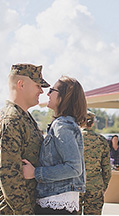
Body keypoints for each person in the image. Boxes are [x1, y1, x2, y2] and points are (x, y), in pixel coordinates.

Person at [0, 63, 47, 215]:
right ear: (21, 84)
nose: (41, 90)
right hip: (10, 210)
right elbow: (8, 175)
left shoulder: (23, 117)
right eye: (38, 85)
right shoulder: (10, 119)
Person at [21, 76, 87, 214]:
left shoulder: (62, 125)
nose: (48, 93)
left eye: (52, 90)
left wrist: (35, 173)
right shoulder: (64, 124)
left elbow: (74, 168)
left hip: (56, 203)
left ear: (64, 97)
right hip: (58, 200)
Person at [80, 111, 110, 215]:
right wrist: (104, 184)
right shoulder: (101, 140)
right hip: (95, 185)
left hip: (76, 185)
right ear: (92, 123)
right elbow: (106, 167)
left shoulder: (74, 138)